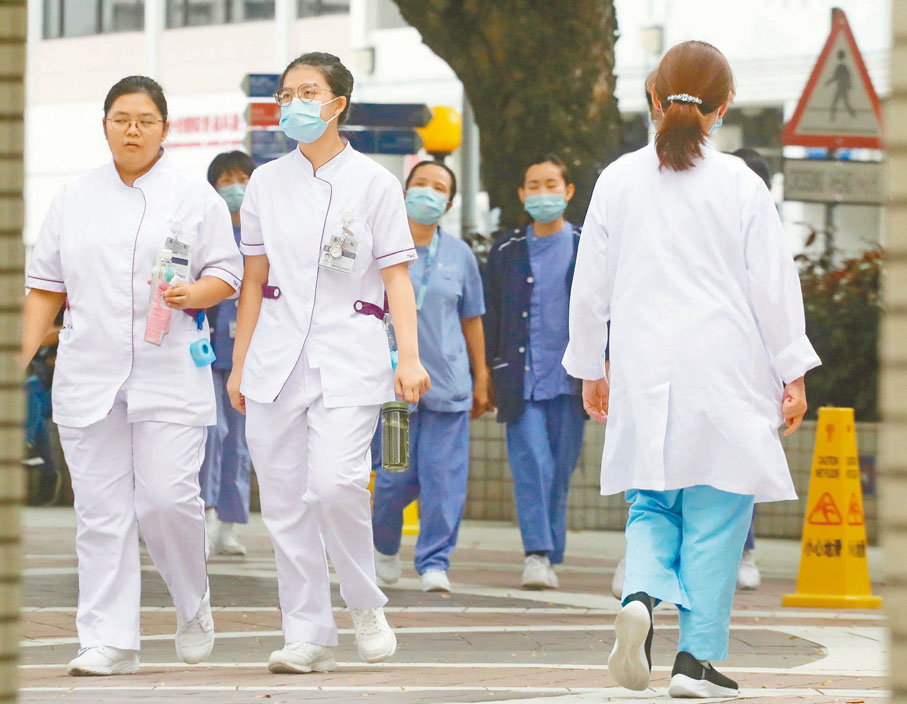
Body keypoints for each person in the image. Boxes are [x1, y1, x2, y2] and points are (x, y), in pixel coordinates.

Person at [563, 41, 819, 698]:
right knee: (716, 509)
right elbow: (771, 286)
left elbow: (589, 285)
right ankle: (694, 662)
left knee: (651, 499)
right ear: (723, 105)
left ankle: (641, 597)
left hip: (642, 364)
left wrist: (591, 363)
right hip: (726, 367)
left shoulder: (617, 179)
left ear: (653, 96)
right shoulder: (741, 184)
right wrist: (791, 372)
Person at [22, 75, 243, 676]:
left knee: (168, 500)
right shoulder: (73, 197)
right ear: (105, 126)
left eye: (145, 120)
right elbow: (45, 289)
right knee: (100, 510)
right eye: (122, 119)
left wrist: (191, 291)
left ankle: (192, 602)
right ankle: (107, 638)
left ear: (165, 129)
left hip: (169, 368)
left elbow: (228, 273)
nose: (133, 130)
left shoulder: (195, 198)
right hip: (90, 371)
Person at [227, 52, 430, 675]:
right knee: (285, 502)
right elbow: (254, 279)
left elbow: (396, 277)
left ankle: (364, 602)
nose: (294, 103)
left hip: (351, 352)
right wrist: (238, 365)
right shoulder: (265, 182)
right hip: (274, 359)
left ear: (337, 103)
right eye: (287, 93)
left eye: (307, 92)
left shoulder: (374, 183)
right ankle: (307, 632)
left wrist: (410, 358)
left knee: (336, 484)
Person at [371, 160, 490, 593]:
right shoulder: (379, 247)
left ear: (449, 202)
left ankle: (434, 561)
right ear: (403, 192)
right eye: (419, 184)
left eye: (437, 187)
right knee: (392, 477)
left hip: (448, 390)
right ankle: (383, 547)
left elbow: (472, 319)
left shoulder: (459, 255)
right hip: (393, 393)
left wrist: (481, 379)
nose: (427, 192)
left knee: (444, 481)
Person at [483, 156, 586, 590]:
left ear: (568, 191)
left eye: (551, 184)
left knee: (560, 468)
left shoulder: (588, 246)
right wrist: (486, 373)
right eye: (533, 185)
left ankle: (550, 551)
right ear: (522, 195)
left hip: (573, 380)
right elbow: (489, 317)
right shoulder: (507, 251)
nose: (542, 193)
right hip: (520, 380)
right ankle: (537, 554)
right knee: (533, 465)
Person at [200, 150, 256, 556]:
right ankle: (201, 513)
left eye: (243, 177)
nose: (235, 185)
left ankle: (229, 524)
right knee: (209, 433)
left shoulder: (265, 233)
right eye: (226, 179)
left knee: (240, 442)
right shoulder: (205, 230)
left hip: (251, 355)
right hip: (206, 352)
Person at [731, 146, 775, 592]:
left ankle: (745, 548)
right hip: (717, 364)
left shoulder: (770, 236)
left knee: (747, 462)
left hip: (756, 371)